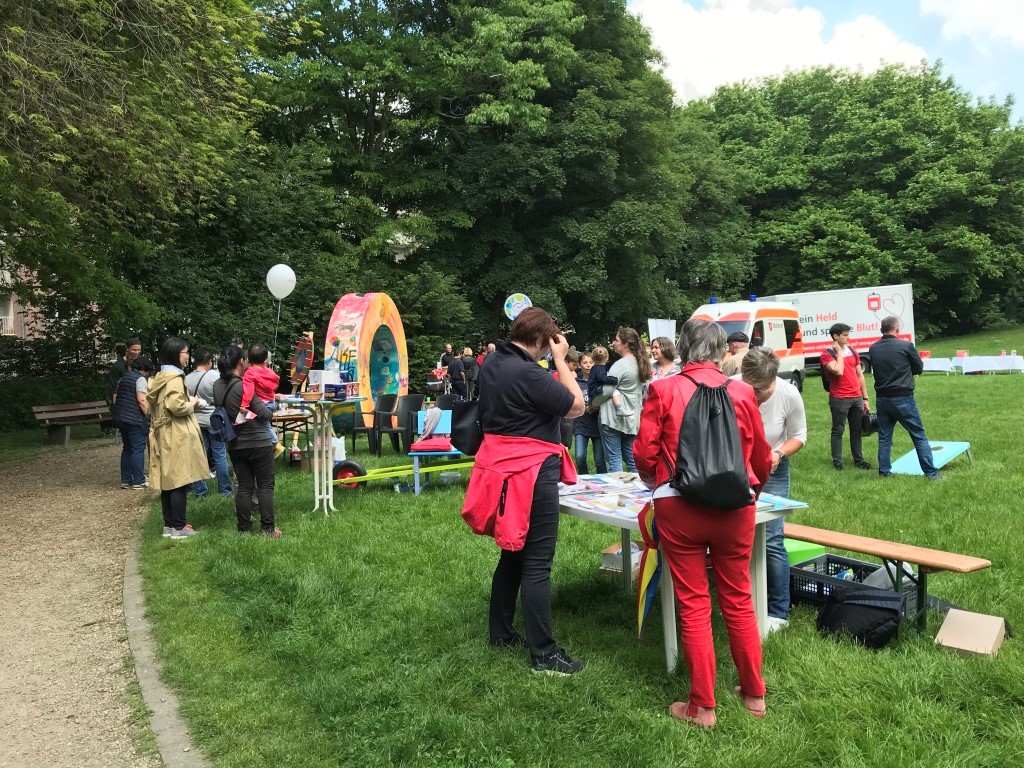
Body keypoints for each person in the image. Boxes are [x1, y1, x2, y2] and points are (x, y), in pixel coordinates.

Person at [634, 318, 772, 728]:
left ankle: (702, 707)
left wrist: (653, 481)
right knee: (738, 596)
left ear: (684, 348)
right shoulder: (744, 391)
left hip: (679, 505)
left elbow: (644, 453)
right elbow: (761, 456)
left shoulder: (661, 389)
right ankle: (753, 694)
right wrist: (754, 491)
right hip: (736, 506)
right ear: (721, 351)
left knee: (694, 603)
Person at [464, 307, 585, 674]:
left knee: (512, 553)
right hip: (532, 470)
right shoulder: (531, 373)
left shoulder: (493, 363)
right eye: (550, 344)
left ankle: (500, 632)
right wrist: (563, 362)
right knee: (537, 563)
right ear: (542, 339)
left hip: (501, 468)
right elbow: (577, 406)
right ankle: (544, 655)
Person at [737, 347, 807, 632]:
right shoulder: (732, 387)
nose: (754, 395)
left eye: (761, 390)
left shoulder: (789, 394)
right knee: (737, 536)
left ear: (773, 380)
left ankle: (778, 612)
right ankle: (743, 600)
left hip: (773, 470)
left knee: (771, 540)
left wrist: (778, 454)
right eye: (749, 388)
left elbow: (799, 435)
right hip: (736, 470)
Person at [213, 345, 282, 537]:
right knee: (265, 486)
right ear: (240, 362)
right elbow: (264, 413)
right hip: (258, 441)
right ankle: (267, 530)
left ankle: (244, 529)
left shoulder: (217, 385)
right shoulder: (245, 385)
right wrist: (272, 408)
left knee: (244, 487)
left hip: (234, 442)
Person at [147, 337, 209, 540]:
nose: (187, 356)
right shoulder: (174, 378)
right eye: (186, 353)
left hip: (163, 432)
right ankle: (179, 527)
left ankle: (169, 525)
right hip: (174, 433)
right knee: (180, 479)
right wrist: (193, 404)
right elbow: (176, 406)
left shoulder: (160, 376)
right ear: (176, 355)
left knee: (168, 480)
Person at [869, 316, 942, 479]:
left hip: (882, 398)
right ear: (897, 329)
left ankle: (884, 472)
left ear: (882, 330)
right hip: (903, 397)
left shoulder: (873, 349)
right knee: (918, 435)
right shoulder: (906, 346)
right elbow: (918, 368)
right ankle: (931, 473)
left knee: (884, 438)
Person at [596, 328, 650, 471]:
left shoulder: (620, 365)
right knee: (631, 459)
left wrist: (593, 404)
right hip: (632, 416)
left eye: (617, 340)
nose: (614, 343)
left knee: (614, 459)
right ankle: (639, 489)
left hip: (613, 417)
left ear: (625, 344)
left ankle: (617, 491)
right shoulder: (640, 362)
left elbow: (606, 390)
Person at [822, 323, 871, 470]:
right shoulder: (827, 354)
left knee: (857, 430)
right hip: (840, 398)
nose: (848, 337)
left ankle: (859, 460)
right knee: (838, 430)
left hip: (857, 397)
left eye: (848, 334)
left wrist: (865, 398)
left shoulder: (852, 351)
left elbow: (860, 375)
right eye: (845, 335)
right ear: (835, 336)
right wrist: (838, 351)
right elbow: (838, 371)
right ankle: (837, 462)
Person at [186, 348, 232, 498]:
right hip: (214, 420)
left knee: (199, 456)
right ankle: (225, 491)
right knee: (219, 455)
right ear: (209, 361)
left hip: (195, 421)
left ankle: (200, 492)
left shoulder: (187, 378)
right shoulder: (214, 376)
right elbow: (221, 397)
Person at [112, 355, 154, 489]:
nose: (147, 374)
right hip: (134, 419)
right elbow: (142, 400)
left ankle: (126, 479)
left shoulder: (124, 377)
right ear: (143, 369)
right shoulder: (140, 379)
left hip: (121, 418)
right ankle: (138, 480)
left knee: (127, 448)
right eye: (147, 371)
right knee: (138, 449)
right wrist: (149, 414)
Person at [240, 344, 284, 458]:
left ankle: (276, 443)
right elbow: (276, 382)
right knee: (266, 424)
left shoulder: (250, 372)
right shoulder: (269, 372)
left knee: (265, 425)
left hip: (262, 404)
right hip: (271, 402)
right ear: (265, 360)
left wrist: (244, 404)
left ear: (248, 359)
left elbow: (248, 390)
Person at [573, 352, 606, 474]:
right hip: (581, 424)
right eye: (585, 362)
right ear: (579, 365)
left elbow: (607, 398)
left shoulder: (600, 381)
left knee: (599, 460)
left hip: (598, 424)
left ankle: (604, 483)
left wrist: (596, 407)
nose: (588, 365)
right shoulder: (575, 382)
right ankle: (584, 481)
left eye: (591, 362)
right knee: (580, 456)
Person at [588, 346, 630, 416]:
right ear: (607, 358)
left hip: (592, 396)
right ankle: (619, 409)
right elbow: (602, 378)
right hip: (597, 393)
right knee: (615, 391)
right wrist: (614, 379)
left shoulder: (594, 368)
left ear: (593, 358)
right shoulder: (600, 368)